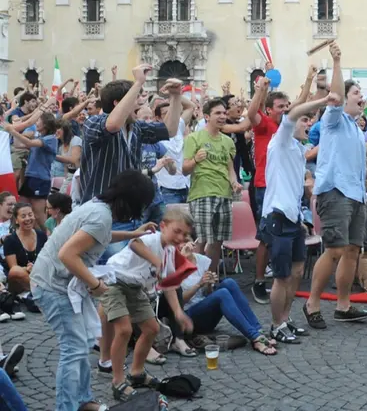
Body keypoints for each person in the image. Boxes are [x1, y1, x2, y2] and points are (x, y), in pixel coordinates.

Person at [29, 170, 155, 411]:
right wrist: (96, 285)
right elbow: (67, 254)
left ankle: (83, 400)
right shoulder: (100, 216)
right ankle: (66, 407)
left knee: (82, 342)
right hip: (52, 286)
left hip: (56, 283)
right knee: (73, 348)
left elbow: (98, 236)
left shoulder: (97, 207)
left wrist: (133, 234)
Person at [305, 42, 367, 328]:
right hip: (334, 193)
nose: (362, 98)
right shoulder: (333, 119)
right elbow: (333, 95)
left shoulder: (357, 130)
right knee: (333, 250)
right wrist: (337, 61)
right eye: (357, 93)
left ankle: (343, 305)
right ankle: (312, 303)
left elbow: (351, 162)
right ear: (345, 99)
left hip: (356, 194)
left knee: (352, 250)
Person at [81, 67, 183, 263]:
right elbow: (112, 126)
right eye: (136, 100)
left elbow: (169, 130)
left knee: (131, 271)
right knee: (112, 270)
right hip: (103, 216)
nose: (141, 105)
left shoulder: (135, 127)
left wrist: (175, 97)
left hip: (131, 213)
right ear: (119, 103)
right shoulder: (92, 123)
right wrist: (137, 83)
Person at [98, 208, 195, 401]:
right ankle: (118, 381)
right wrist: (156, 262)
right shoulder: (153, 238)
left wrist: (178, 312)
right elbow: (135, 244)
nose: (180, 237)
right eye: (177, 231)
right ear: (163, 226)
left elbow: (169, 285)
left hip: (135, 287)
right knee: (124, 330)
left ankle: (137, 373)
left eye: (185, 234)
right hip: (114, 281)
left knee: (152, 328)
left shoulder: (169, 252)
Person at [260, 77, 326, 343]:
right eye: (305, 121)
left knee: (297, 273)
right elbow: (294, 111)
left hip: (294, 217)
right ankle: (276, 325)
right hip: (277, 216)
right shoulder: (281, 140)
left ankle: (286, 320)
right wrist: (322, 99)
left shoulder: (298, 149)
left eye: (310, 121)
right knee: (282, 276)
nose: (307, 124)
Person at [248, 66, 296, 305]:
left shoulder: (285, 129)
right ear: (269, 109)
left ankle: (280, 280)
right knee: (267, 237)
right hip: (264, 186)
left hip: (284, 187)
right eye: (280, 107)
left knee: (284, 237)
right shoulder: (264, 124)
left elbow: (301, 104)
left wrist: (308, 80)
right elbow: (250, 113)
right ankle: (258, 281)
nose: (285, 110)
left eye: (286, 107)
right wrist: (260, 89)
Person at [179, 241, 278, 355]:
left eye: (186, 239)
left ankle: (258, 330)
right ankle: (255, 337)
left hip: (205, 313)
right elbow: (178, 302)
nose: (184, 245)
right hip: (188, 318)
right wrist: (199, 284)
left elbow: (206, 293)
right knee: (222, 294)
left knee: (229, 283)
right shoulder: (172, 265)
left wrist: (209, 284)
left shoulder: (201, 260)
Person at [183, 98, 242, 272]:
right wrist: (195, 160)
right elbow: (185, 169)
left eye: (224, 113)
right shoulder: (194, 138)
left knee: (218, 241)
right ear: (207, 116)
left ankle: (209, 279)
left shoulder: (228, 142)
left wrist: (234, 183)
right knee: (201, 240)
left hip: (224, 195)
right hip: (201, 194)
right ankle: (194, 281)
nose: (223, 116)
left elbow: (230, 168)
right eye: (218, 113)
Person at [3, 113, 59, 230]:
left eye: (38, 120)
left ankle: (49, 237)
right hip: (30, 178)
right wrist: (17, 126)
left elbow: (29, 143)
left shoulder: (51, 139)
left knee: (38, 215)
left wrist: (12, 131)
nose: (36, 123)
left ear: (46, 124)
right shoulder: (39, 138)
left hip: (40, 179)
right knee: (21, 209)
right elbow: (19, 144)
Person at [3, 203, 47, 296]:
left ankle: (41, 291)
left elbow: (48, 260)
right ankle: (44, 293)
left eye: (30, 215)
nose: (28, 218)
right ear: (16, 220)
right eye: (23, 216)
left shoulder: (41, 235)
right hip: (19, 281)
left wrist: (35, 268)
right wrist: (28, 269)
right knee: (16, 271)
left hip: (40, 275)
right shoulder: (10, 240)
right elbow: (13, 268)